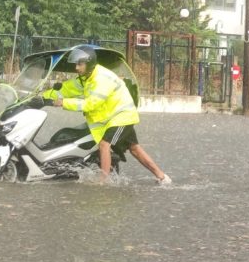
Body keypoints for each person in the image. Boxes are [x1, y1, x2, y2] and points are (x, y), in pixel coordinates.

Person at [43, 45, 171, 185]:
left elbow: (90, 104)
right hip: (112, 118)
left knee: (104, 145)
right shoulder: (86, 78)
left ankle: (103, 182)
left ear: (90, 62)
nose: (76, 68)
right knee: (134, 148)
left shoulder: (101, 79)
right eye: (76, 64)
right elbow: (66, 89)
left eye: (80, 64)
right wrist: (41, 97)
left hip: (121, 116)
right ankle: (162, 177)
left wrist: (63, 103)